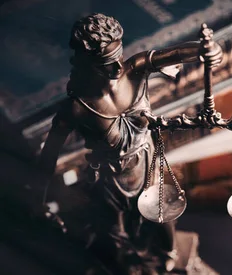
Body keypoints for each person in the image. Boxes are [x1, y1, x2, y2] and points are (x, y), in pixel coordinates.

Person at [37, 13, 222, 274]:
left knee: (162, 216)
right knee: (113, 234)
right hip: (110, 180)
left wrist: (208, 51)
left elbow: (179, 52)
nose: (117, 68)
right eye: (106, 64)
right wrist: (40, 198)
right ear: (88, 63)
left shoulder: (135, 70)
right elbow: (49, 155)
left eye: (119, 57)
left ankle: (169, 255)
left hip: (146, 165)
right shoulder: (77, 108)